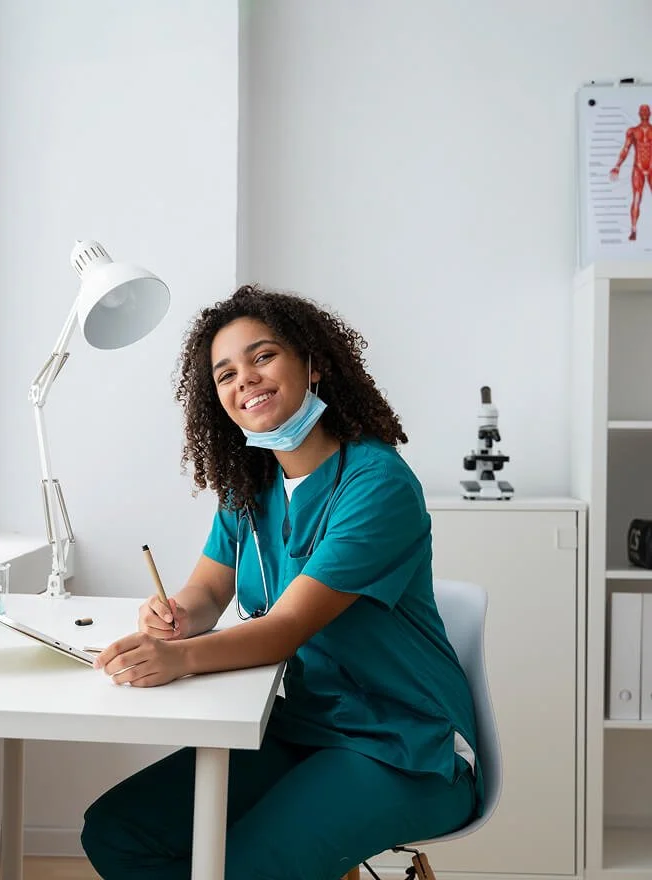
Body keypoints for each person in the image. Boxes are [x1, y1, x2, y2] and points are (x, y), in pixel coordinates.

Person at [81, 285, 482, 880]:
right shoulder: (250, 487)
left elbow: (286, 628)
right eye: (225, 374)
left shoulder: (377, 485)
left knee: (238, 867)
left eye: (262, 357)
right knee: (118, 832)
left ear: (313, 365)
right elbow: (209, 592)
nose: (245, 379)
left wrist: (179, 658)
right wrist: (178, 618)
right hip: (305, 727)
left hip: (405, 748)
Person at [610, 103, 652, 241]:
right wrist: (617, 166)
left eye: (647, 110)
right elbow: (626, 149)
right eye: (642, 111)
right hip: (638, 168)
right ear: (639, 114)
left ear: (650, 113)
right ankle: (633, 230)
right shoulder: (632, 131)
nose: (645, 113)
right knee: (636, 199)